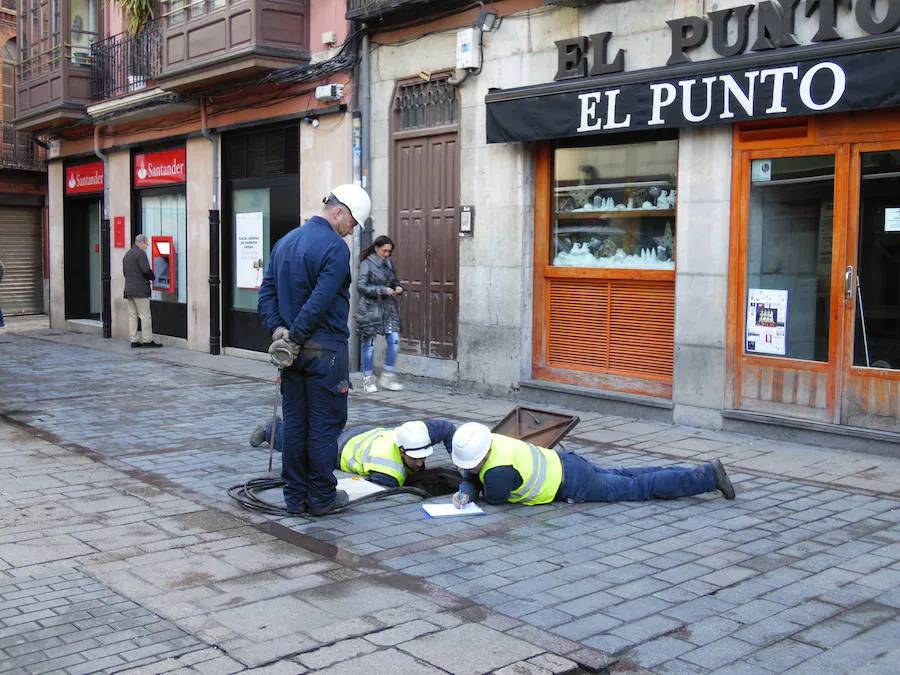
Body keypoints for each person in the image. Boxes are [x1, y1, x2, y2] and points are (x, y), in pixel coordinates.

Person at [258, 184, 371, 516]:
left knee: (294, 424)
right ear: (339, 213)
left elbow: (265, 293)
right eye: (352, 224)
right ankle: (321, 497)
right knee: (324, 425)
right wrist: (294, 337)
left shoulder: (285, 242)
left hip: (292, 355)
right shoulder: (334, 249)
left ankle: (296, 498)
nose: (351, 232)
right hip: (325, 352)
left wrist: (279, 330)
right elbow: (319, 302)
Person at [450, 422, 736, 508]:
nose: (469, 468)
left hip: (574, 483)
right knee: (625, 475)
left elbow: (496, 498)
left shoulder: (498, 473)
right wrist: (467, 487)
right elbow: (471, 477)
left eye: (470, 465)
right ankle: (686, 471)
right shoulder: (493, 441)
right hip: (568, 462)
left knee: (639, 488)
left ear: (480, 458)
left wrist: (471, 490)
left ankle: (706, 477)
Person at [250, 418, 457, 488]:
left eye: (423, 456)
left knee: (315, 435)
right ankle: (271, 430)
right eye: (415, 458)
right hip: (344, 450)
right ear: (402, 451)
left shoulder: (420, 433)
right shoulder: (389, 473)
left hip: (369, 433)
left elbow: (448, 428)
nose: (421, 462)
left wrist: (459, 463)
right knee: (306, 449)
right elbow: (384, 491)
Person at [355, 235, 404, 393]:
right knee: (368, 345)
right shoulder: (366, 264)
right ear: (376, 248)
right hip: (370, 309)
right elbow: (361, 287)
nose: (387, 254)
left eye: (389, 251)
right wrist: (381, 290)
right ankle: (368, 378)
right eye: (385, 251)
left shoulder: (388, 263)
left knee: (394, 340)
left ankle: (388, 375)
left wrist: (398, 287)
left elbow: (394, 280)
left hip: (388, 308)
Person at [123, 234, 162, 348]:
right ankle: (147, 340)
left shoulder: (128, 254)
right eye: (146, 243)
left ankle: (134, 340)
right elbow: (146, 270)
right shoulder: (140, 254)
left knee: (133, 315)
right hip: (140, 290)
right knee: (145, 316)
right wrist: (153, 277)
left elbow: (126, 272)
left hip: (129, 289)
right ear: (140, 243)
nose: (147, 246)